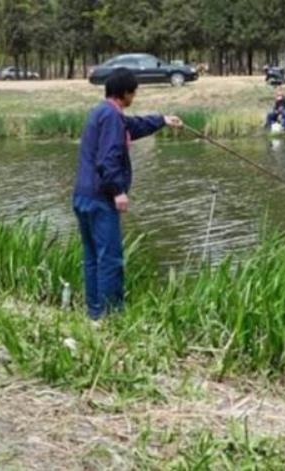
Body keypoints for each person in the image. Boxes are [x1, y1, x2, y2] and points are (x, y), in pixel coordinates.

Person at [73, 68, 183, 320]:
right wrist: (118, 191)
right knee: (110, 259)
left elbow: (132, 126)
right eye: (133, 93)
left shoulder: (103, 112)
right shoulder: (112, 117)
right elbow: (107, 159)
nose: (134, 97)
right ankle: (111, 316)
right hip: (101, 198)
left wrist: (163, 120)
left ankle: (95, 314)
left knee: (92, 258)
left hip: (82, 196)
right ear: (125, 93)